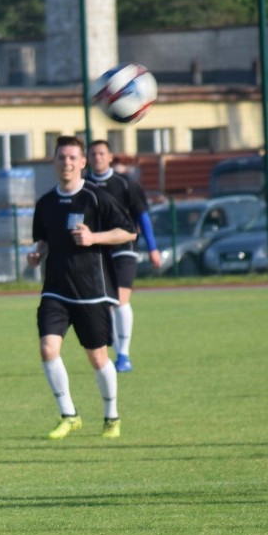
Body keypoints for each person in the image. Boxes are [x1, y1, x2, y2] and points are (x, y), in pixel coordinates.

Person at [27, 136, 137, 440]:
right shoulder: (46, 202)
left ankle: (111, 416)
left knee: (98, 357)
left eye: (73, 158)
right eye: (62, 157)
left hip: (93, 290)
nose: (67, 163)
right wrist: (38, 254)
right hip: (55, 290)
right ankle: (69, 414)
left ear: (82, 162)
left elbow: (128, 231)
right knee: (48, 349)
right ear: (54, 161)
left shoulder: (95, 197)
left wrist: (95, 238)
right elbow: (44, 240)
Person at [86, 140, 162, 372]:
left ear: (110, 157)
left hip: (125, 246)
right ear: (87, 159)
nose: (97, 157)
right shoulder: (84, 186)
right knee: (106, 304)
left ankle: (124, 355)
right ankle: (117, 354)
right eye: (93, 154)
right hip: (98, 249)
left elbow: (143, 217)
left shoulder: (126, 184)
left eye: (101, 153)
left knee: (120, 300)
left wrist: (153, 247)